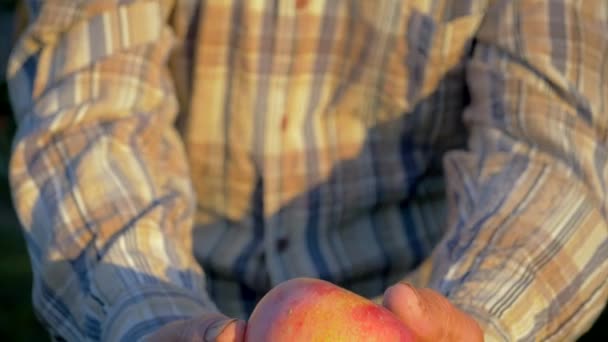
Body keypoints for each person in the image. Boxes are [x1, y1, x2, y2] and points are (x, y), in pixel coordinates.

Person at [6, 0, 607, 340]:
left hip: (425, 288)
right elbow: (93, 102)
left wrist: (480, 318)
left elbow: (557, 139)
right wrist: (145, 316)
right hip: (179, 280)